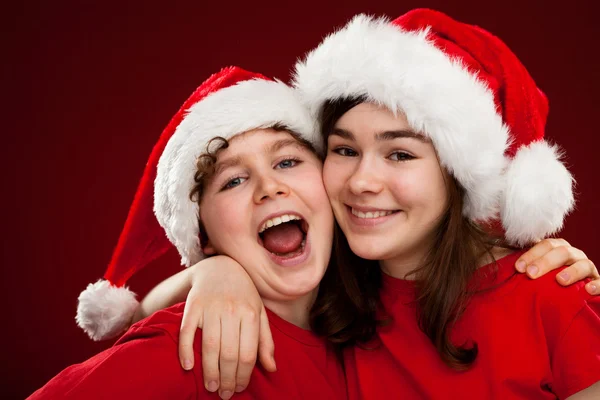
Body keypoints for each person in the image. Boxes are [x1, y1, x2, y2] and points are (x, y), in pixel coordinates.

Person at [124, 9, 600, 399]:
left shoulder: (551, 297)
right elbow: (145, 317)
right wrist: (211, 273)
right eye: (345, 150)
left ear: (456, 175)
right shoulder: (328, 290)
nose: (363, 181)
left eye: (399, 154)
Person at [29, 66, 349, 400]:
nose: (269, 187)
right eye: (233, 181)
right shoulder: (188, 348)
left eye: (286, 162)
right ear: (203, 235)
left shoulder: (369, 327)